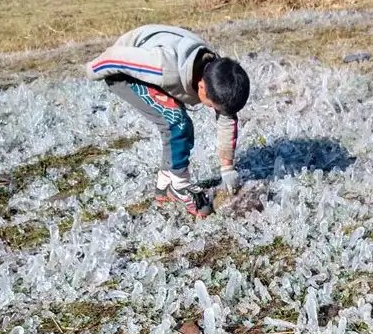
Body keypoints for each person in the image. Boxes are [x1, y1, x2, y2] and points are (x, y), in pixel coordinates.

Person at [86, 25, 250, 218]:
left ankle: (164, 185)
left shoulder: (218, 71)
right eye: (211, 105)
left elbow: (226, 117)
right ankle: (179, 186)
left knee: (178, 123)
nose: (211, 108)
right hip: (123, 70)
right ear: (202, 87)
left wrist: (227, 168)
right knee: (176, 121)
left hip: (162, 64)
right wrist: (91, 69)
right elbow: (115, 58)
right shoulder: (162, 66)